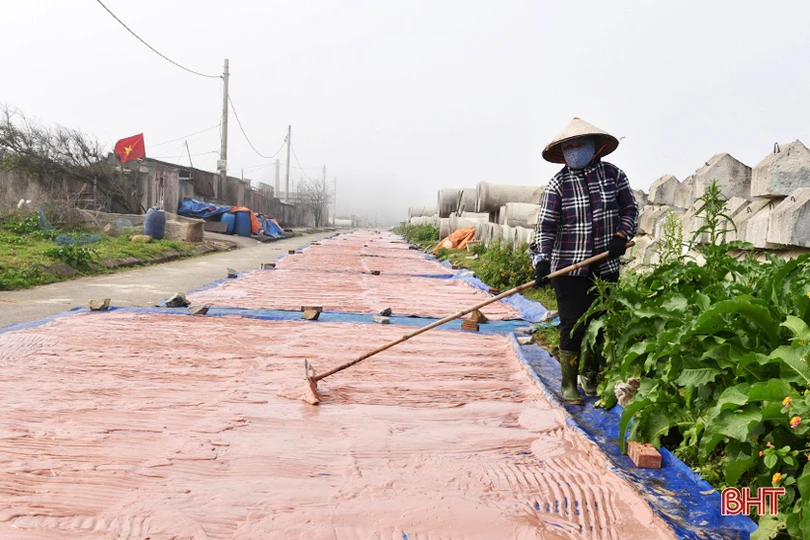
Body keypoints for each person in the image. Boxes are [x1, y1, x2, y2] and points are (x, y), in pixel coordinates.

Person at [529, 118, 638, 405]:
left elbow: (630, 209)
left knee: (599, 323)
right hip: (569, 267)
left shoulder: (613, 176)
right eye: (570, 146)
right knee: (572, 324)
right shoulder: (558, 184)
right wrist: (542, 261)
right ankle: (568, 383)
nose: (575, 150)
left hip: (605, 266)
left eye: (581, 144)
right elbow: (546, 227)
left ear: (594, 147)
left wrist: (621, 235)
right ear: (562, 152)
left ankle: (590, 377)